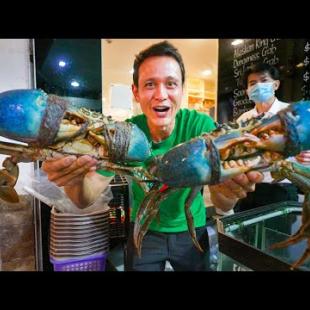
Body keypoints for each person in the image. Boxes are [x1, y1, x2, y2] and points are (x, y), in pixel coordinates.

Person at [42, 41, 263, 271]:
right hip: (143, 232)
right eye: (149, 84)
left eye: (171, 84)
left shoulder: (201, 128)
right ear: (135, 92)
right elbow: (85, 198)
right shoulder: (124, 134)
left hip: (192, 231)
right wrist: (74, 181)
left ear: (181, 89)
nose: (161, 95)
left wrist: (228, 191)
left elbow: (221, 202)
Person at [234, 63, 310, 212]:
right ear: (248, 90)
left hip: (282, 189)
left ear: (275, 85)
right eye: (253, 83)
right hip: (248, 188)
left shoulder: (292, 114)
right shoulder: (242, 120)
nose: (258, 86)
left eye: (264, 81)